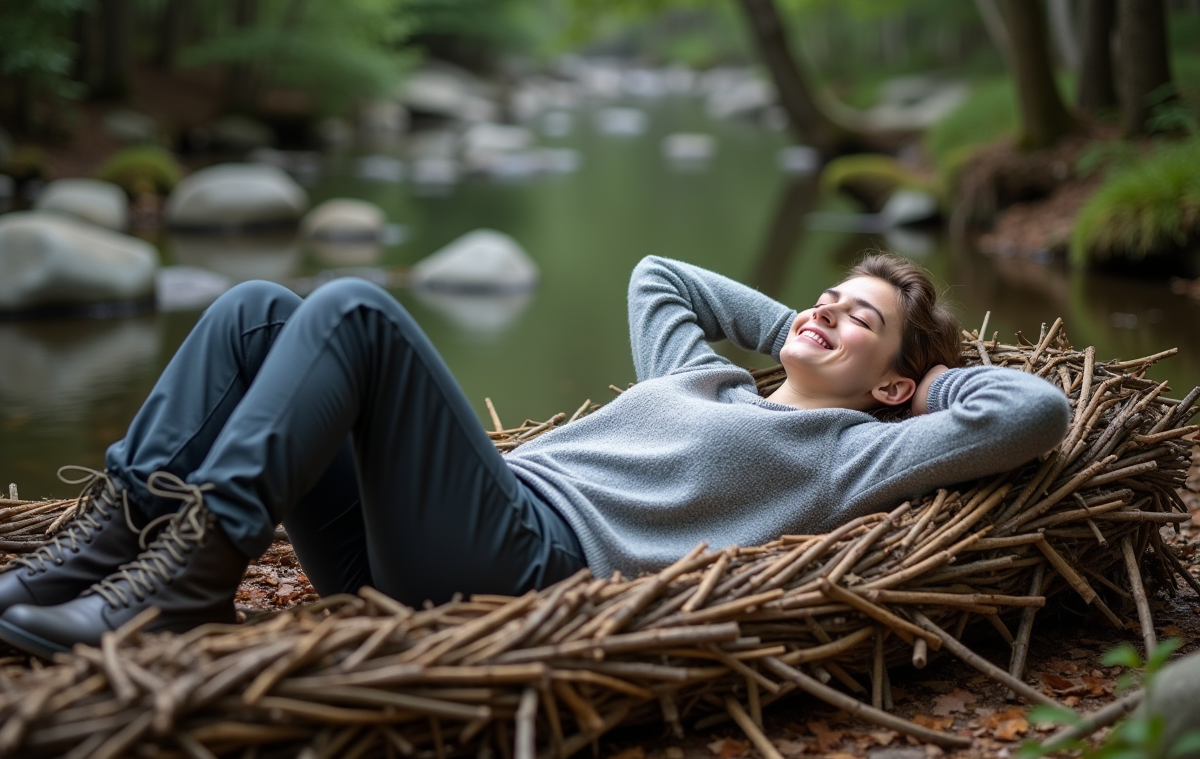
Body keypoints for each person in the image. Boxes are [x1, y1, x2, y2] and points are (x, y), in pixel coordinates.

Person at [0, 254, 1070, 658]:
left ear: (894, 383)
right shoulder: (700, 375)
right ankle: (96, 551)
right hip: (413, 539)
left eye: (861, 320)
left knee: (357, 311)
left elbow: (1033, 411)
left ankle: (192, 574)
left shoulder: (849, 450)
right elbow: (658, 276)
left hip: (518, 555)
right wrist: (818, 319)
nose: (828, 312)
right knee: (252, 309)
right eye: (827, 297)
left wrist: (921, 380)